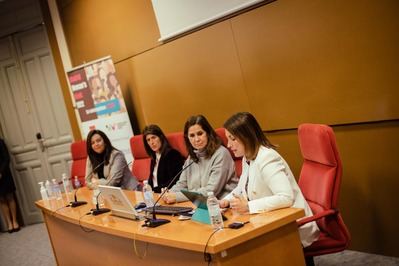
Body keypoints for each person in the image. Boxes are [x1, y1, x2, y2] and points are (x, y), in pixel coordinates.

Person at [219, 112, 319, 248]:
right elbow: (241, 188)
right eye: (227, 139)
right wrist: (225, 201)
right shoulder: (247, 157)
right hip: (271, 220)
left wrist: (249, 206)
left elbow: (286, 197)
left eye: (233, 139)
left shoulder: (267, 158)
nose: (229, 145)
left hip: (292, 226)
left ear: (247, 136)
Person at [163, 115, 238, 203]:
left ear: (208, 133)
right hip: (198, 205)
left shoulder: (221, 153)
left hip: (223, 205)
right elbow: (182, 184)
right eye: (192, 135)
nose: (196, 139)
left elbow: (210, 191)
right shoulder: (191, 158)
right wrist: (168, 193)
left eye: (200, 133)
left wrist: (177, 196)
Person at [142, 125, 185, 193]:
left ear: (161, 137)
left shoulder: (172, 154)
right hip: (154, 195)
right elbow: (152, 180)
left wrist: (154, 190)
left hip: (168, 194)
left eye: (153, 137)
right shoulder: (154, 157)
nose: (151, 142)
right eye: (148, 140)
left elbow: (175, 180)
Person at [0, 138, 20, 233]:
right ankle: (9, 223)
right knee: (1, 200)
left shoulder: (0, 141)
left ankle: (15, 221)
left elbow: (6, 158)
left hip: (5, 174)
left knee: (10, 197)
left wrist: (1, 172)